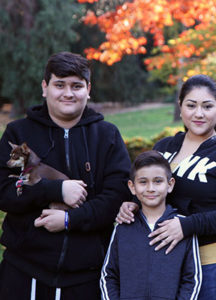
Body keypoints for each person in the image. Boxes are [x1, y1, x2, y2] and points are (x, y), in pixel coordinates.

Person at [0, 51, 131, 300]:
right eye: (59, 84)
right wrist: (55, 190)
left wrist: (70, 219)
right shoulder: (19, 133)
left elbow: (116, 196)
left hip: (88, 277)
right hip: (24, 273)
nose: (68, 93)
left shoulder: (107, 135)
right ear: (45, 87)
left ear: (88, 89)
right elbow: (4, 190)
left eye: (76, 86)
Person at [116, 74, 216, 299]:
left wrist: (186, 226)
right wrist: (132, 205)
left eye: (207, 106)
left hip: (212, 266)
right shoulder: (164, 147)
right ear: (180, 107)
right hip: (168, 262)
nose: (198, 113)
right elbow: (149, 184)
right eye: (191, 105)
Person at [100, 150, 202, 299]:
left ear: (170, 184)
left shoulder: (181, 226)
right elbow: (108, 275)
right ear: (132, 186)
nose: (150, 188)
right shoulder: (123, 227)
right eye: (143, 182)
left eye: (158, 181)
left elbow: (192, 279)